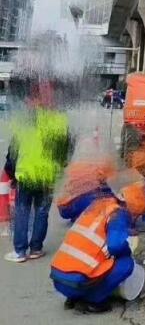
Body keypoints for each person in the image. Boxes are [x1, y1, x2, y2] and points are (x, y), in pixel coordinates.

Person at [50, 182, 145, 313]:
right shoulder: (119, 214)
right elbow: (115, 246)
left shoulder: (100, 205)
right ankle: (92, 301)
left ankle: (73, 298)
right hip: (77, 281)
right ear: (132, 208)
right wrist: (128, 251)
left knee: (98, 262)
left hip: (58, 278)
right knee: (126, 264)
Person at [3, 87, 71, 263]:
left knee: (22, 211)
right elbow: (65, 153)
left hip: (26, 173)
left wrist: (10, 172)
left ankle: (19, 251)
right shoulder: (60, 122)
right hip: (47, 176)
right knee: (41, 212)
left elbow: (13, 150)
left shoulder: (26, 120)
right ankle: (36, 248)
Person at [56, 158, 116, 222]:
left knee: (99, 198)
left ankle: (78, 215)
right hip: (67, 208)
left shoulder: (83, 163)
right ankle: (80, 215)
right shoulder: (95, 170)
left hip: (64, 208)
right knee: (98, 201)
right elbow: (107, 194)